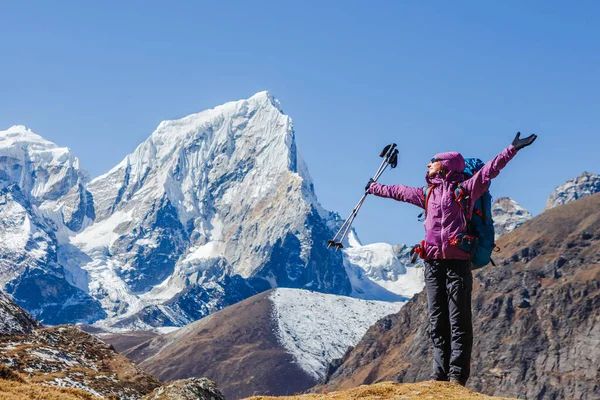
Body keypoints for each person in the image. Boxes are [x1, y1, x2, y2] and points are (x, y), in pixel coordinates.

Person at [365, 132, 537, 386]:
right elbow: (399, 191)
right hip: (433, 263)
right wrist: (373, 188)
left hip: (458, 263)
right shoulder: (427, 194)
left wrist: (512, 149)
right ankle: (439, 375)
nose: (427, 164)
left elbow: (490, 170)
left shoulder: (465, 190)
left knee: (458, 319)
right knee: (437, 320)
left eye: (432, 161)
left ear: (445, 165)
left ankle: (457, 376)